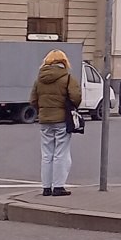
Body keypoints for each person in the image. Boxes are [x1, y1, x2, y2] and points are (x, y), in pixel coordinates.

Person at [31, 49, 81, 198]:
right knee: (61, 153)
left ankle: (46, 187)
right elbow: (76, 97)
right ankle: (58, 186)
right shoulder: (67, 78)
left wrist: (43, 110)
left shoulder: (39, 79)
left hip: (44, 120)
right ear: (64, 61)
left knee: (47, 155)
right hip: (61, 119)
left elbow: (33, 100)